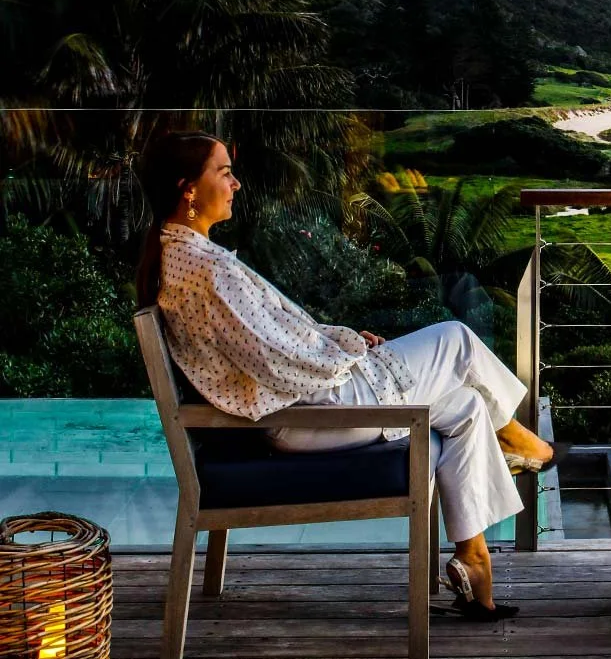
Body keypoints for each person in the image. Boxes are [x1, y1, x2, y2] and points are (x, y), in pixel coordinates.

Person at [136, 130, 552, 619]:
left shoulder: (187, 258)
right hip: (310, 414)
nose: (236, 184)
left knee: (465, 406)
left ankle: (472, 560)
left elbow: (273, 340)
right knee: (456, 340)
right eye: (224, 172)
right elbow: (271, 358)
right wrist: (345, 354)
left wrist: (339, 339)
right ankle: (530, 447)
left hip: (306, 405)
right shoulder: (203, 269)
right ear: (188, 188)